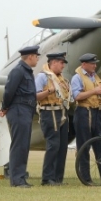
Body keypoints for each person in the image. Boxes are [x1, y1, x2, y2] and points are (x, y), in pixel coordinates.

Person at [0, 45, 40, 188]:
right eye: (36, 56)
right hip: (18, 110)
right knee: (19, 145)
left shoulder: (27, 72)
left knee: (23, 145)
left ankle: (20, 177)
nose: (37, 58)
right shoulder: (18, 71)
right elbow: (9, 91)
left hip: (26, 110)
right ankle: (17, 180)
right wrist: (4, 107)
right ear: (30, 57)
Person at [71, 53, 101, 184]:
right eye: (92, 63)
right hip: (84, 112)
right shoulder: (77, 78)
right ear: (84, 64)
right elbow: (77, 96)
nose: (95, 65)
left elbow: (100, 89)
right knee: (84, 145)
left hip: (97, 112)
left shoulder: (94, 76)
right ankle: (86, 178)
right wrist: (95, 91)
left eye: (95, 63)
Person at [35, 52, 73, 186]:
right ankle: (47, 178)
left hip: (62, 112)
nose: (63, 66)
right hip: (49, 113)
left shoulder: (61, 79)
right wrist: (48, 91)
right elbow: (35, 96)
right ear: (53, 63)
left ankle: (57, 178)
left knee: (62, 146)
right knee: (53, 145)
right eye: (61, 63)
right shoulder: (42, 76)